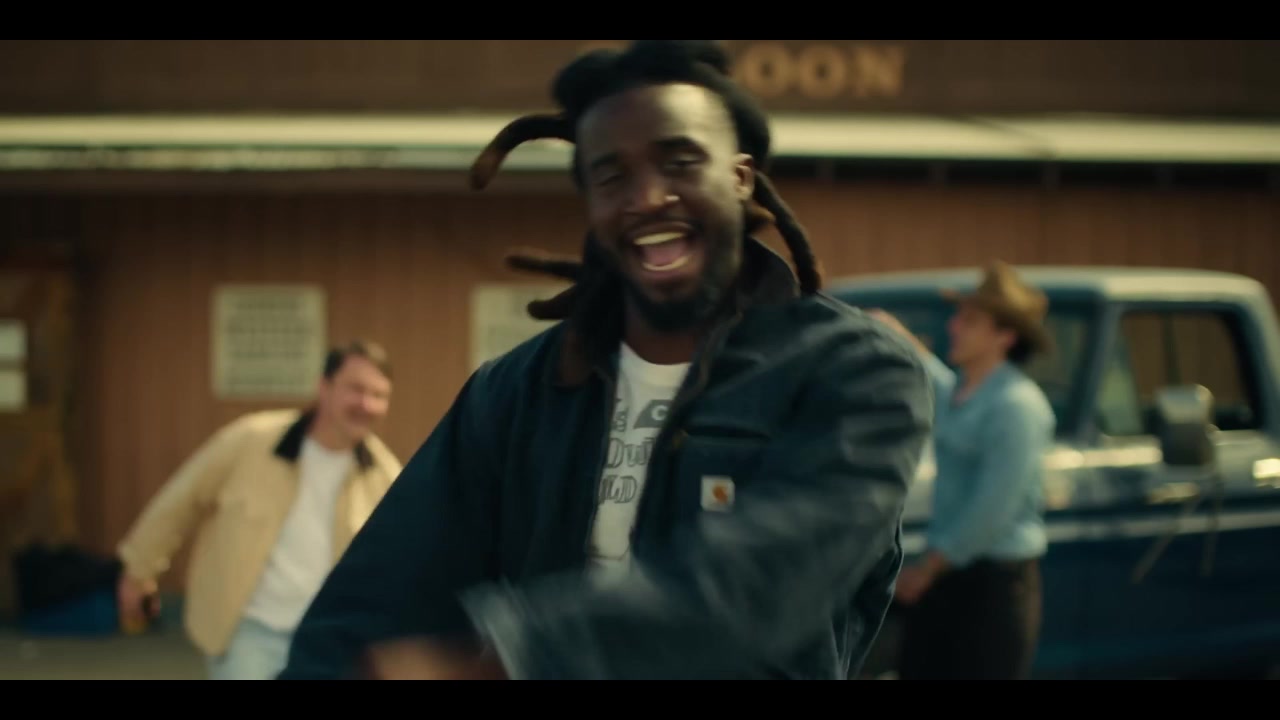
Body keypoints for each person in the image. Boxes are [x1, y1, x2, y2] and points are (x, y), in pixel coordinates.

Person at [278, 40, 933, 681]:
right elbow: (375, 596)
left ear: (740, 178)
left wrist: (508, 657)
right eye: (612, 176)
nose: (646, 197)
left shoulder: (853, 371)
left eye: (680, 162)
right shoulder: (514, 393)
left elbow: (762, 586)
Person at [115, 340, 402, 680]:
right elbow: (181, 500)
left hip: (325, 640)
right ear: (323, 387)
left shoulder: (386, 476)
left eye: (379, 395)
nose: (366, 404)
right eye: (356, 389)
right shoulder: (252, 439)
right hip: (248, 631)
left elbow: (403, 562)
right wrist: (138, 571)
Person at [869, 260, 1056, 680]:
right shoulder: (964, 390)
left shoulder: (1017, 406)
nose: (954, 326)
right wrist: (896, 335)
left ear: (1005, 336)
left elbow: (993, 509)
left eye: (970, 321)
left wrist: (927, 571)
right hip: (948, 577)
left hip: (993, 586)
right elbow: (933, 376)